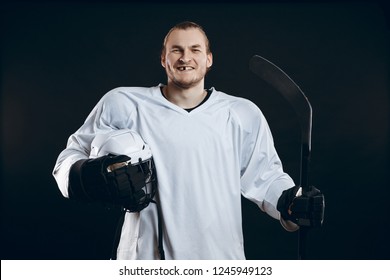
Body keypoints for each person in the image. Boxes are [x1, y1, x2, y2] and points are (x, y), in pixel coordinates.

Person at [53, 21, 324, 260]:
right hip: (145, 261)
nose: (186, 57)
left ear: (208, 59)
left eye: (195, 50)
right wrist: (90, 175)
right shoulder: (123, 104)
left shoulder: (242, 113)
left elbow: (266, 178)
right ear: (163, 58)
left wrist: (292, 201)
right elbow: (68, 160)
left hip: (219, 260)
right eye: (176, 50)